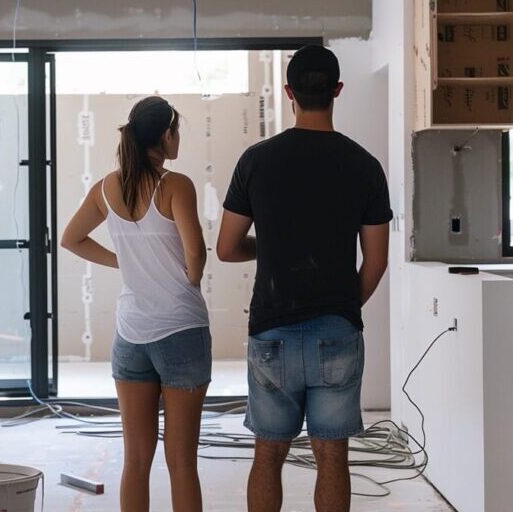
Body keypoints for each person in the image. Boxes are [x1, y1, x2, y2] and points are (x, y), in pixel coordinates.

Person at [216, 45, 393, 512]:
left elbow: (227, 248)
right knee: (333, 457)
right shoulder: (365, 166)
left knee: (268, 455)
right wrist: (343, 307)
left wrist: (271, 245)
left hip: (271, 330)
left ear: (290, 93)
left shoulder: (256, 160)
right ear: (337, 91)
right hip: (337, 330)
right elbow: (376, 261)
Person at [61, 96, 210, 512]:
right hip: (181, 331)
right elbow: (195, 252)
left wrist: (121, 261)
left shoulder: (107, 188)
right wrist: (191, 280)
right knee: (182, 463)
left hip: (131, 337)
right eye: (177, 131)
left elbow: (71, 239)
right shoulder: (175, 185)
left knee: (136, 461)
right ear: (166, 135)